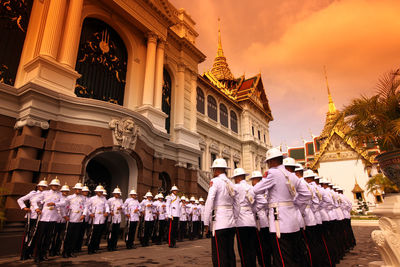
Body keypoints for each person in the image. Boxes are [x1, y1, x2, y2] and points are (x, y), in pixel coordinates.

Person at [253, 148, 312, 267]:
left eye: (268, 163)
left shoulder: (273, 173)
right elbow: (307, 194)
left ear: (271, 162)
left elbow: (256, 190)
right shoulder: (292, 175)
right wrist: (294, 206)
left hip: (278, 221)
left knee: (281, 258)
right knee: (294, 255)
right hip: (293, 221)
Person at [203, 158, 239, 267]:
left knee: (219, 254)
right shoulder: (230, 183)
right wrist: (235, 218)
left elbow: (210, 201)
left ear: (216, 170)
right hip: (231, 222)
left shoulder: (215, 181)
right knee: (229, 252)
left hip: (219, 223)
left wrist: (206, 222)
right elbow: (237, 204)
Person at [32, 177, 63, 263]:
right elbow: (34, 200)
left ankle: (44, 254)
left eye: (57, 185)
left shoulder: (60, 194)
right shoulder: (45, 193)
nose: (55, 186)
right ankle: (37, 255)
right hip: (44, 218)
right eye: (54, 185)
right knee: (40, 237)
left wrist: (55, 203)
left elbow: (64, 203)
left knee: (48, 238)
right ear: (51, 185)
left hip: (53, 218)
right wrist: (37, 209)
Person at [17, 178, 48, 260]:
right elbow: (20, 200)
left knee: (35, 236)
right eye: (41, 186)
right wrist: (24, 208)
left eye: (44, 186)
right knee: (27, 235)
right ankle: (24, 254)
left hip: (39, 217)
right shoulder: (33, 193)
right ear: (38, 186)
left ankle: (30, 253)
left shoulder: (46, 195)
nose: (43, 188)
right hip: (31, 216)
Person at [232, 167, 257, 267]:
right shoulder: (251, 188)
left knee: (243, 248)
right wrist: (252, 212)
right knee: (252, 247)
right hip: (251, 220)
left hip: (241, 221)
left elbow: (234, 204)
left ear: (237, 178)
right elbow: (256, 204)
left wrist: (235, 217)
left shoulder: (235, 187)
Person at [250, 171, 272, 267]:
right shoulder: (266, 189)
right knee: (266, 244)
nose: (252, 182)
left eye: (253, 180)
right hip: (266, 219)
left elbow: (263, 202)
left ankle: (264, 263)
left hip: (259, 220)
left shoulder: (256, 189)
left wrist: (254, 209)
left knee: (260, 246)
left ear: (256, 180)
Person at [62, 182, 85, 258]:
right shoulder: (70, 197)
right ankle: (65, 252)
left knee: (75, 236)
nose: (79, 190)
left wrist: (83, 214)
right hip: (71, 218)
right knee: (68, 236)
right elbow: (64, 207)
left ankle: (71, 251)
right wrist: (64, 216)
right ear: (75, 189)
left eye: (80, 189)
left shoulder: (83, 198)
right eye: (77, 189)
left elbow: (86, 207)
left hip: (79, 219)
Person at [85, 184, 109, 254]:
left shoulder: (104, 199)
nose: (100, 193)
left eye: (101, 192)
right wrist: (90, 213)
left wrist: (107, 212)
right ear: (96, 192)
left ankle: (95, 248)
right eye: (99, 191)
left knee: (98, 234)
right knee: (92, 234)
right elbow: (87, 207)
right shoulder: (92, 199)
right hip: (94, 217)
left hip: (101, 218)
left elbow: (107, 206)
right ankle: (90, 248)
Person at [49, 183, 69, 256]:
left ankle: (57, 249)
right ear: (61, 191)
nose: (65, 192)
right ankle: (51, 250)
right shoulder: (58, 197)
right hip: (56, 218)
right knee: (53, 235)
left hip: (63, 220)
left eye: (67, 191)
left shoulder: (68, 199)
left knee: (60, 236)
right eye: (64, 191)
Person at [107, 186, 124, 251]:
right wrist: (110, 212)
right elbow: (107, 207)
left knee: (116, 233)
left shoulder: (121, 200)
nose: (117, 195)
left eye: (118, 194)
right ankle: (109, 246)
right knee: (111, 232)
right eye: (116, 193)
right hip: (112, 218)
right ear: (114, 194)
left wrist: (121, 208)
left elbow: (123, 207)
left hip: (118, 218)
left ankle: (114, 245)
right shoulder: (110, 200)